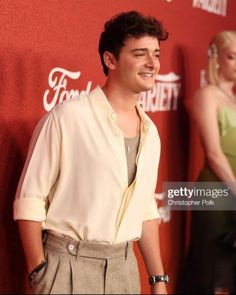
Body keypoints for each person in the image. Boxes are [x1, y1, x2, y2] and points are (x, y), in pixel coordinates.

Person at [13, 11, 169, 294]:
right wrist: (38, 270)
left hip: (125, 269)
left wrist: (158, 281)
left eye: (156, 54)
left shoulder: (150, 132)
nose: (152, 64)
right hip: (66, 267)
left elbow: (145, 209)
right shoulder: (68, 117)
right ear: (110, 60)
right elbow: (30, 200)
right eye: (140, 54)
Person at [183, 31, 236, 294]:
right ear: (216, 59)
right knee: (213, 273)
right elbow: (214, 153)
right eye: (232, 57)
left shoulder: (234, 99)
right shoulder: (207, 95)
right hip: (214, 193)